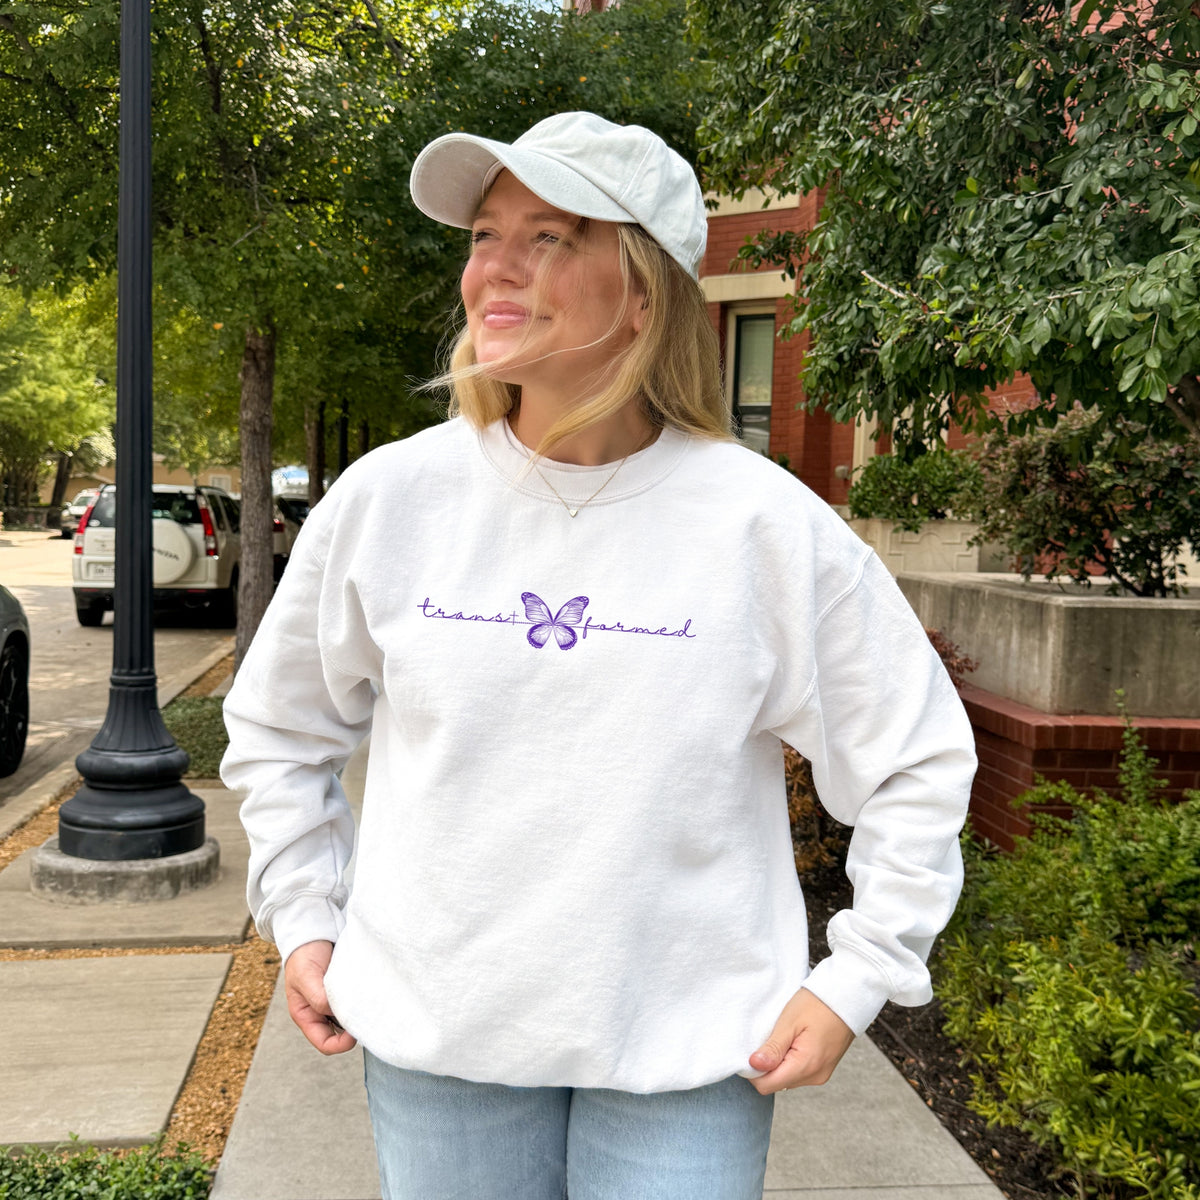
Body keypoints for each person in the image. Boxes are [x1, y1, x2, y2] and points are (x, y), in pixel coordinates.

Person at [222, 111, 977, 1200]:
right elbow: (279, 728)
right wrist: (302, 916)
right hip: (441, 1043)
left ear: (645, 292)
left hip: (686, 1057)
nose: (496, 269)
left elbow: (913, 759)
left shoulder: (764, 526)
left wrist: (859, 977)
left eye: (552, 236)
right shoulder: (394, 500)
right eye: (486, 235)